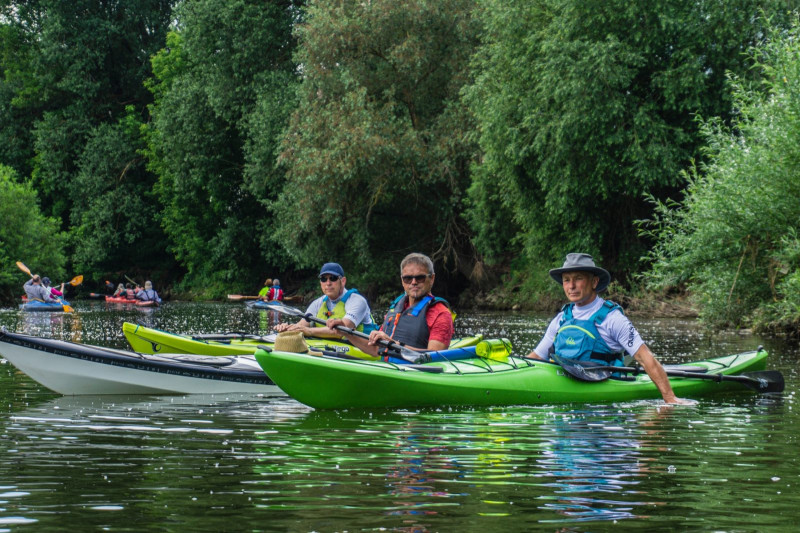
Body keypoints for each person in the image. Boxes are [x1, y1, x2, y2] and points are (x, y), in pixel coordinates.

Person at [526, 253, 691, 405]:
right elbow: (537, 357)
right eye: (567, 280)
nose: (572, 286)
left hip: (605, 397)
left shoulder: (612, 319)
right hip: (563, 383)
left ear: (594, 282)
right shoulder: (561, 318)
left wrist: (669, 397)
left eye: (578, 278)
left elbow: (645, 357)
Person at [337, 253, 454, 356]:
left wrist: (394, 345)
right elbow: (375, 349)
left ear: (432, 278)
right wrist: (346, 332)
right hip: (390, 370)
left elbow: (436, 356)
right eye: (408, 278)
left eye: (420, 278)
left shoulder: (441, 313)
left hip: (417, 374)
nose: (413, 282)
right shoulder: (396, 307)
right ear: (402, 281)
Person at [275, 263, 374, 339]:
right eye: (323, 279)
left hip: (364, 352)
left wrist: (309, 331)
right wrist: (287, 329)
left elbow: (342, 332)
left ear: (343, 281)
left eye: (333, 278)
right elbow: (301, 326)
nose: (328, 283)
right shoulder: (317, 303)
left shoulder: (357, 301)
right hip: (332, 349)